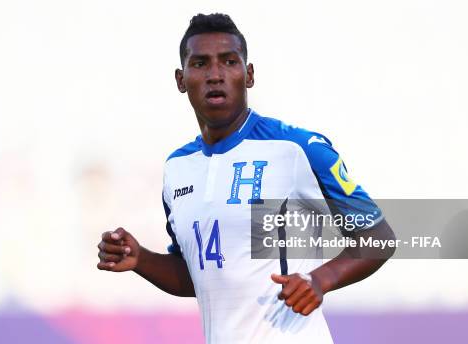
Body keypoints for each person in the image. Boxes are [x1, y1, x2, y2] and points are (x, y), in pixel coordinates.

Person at [97, 13, 395, 343]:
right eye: (200, 64)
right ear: (181, 80)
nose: (215, 75)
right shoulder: (178, 168)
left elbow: (378, 237)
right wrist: (142, 259)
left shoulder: (295, 148)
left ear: (248, 74)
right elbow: (200, 276)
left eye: (228, 61)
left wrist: (320, 280)